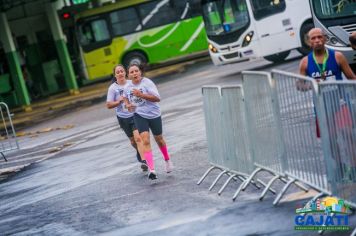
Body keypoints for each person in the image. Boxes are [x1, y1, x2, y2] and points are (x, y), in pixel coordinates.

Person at [124, 63, 173, 180]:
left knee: (159, 139)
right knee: (145, 140)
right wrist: (127, 105)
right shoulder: (128, 87)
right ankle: (152, 170)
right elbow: (126, 97)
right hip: (139, 114)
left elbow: (157, 98)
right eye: (132, 72)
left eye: (136, 71)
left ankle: (167, 160)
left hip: (154, 114)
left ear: (140, 72)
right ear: (128, 75)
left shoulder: (147, 83)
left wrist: (141, 94)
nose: (134, 73)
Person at [106, 64, 147, 172]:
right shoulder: (113, 88)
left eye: (122, 71)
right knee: (133, 141)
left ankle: (144, 161)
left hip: (135, 115)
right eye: (117, 72)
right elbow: (109, 105)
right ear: (115, 75)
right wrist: (118, 101)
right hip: (123, 118)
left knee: (138, 138)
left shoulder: (131, 84)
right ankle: (140, 152)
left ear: (125, 73)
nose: (120, 73)